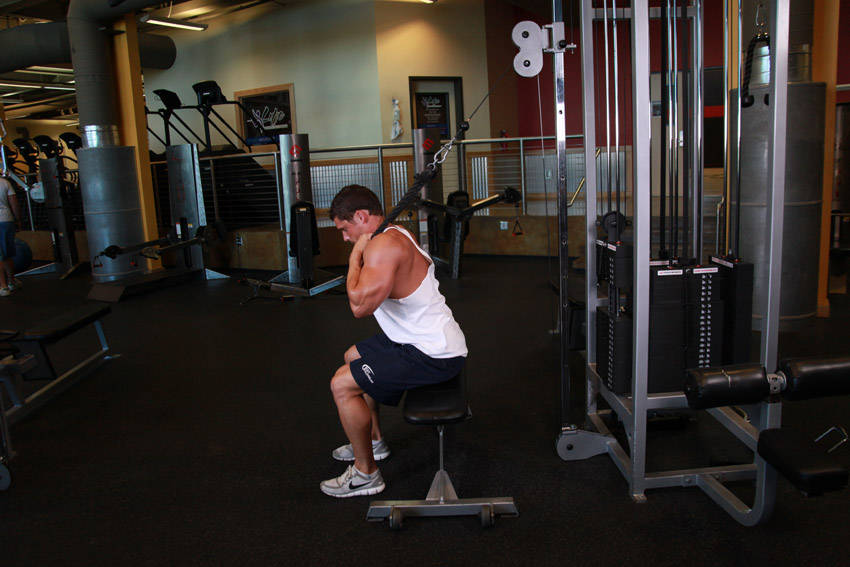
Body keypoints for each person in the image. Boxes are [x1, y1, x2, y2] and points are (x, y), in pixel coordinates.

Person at [321, 184, 467, 498]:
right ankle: (373, 441)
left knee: (341, 385)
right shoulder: (395, 232)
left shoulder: (382, 246)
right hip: (412, 338)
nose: (345, 238)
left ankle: (365, 473)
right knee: (352, 356)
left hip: (433, 352)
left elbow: (359, 307)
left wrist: (354, 257)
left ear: (360, 216)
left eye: (345, 229)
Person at [0, 173, 21, 297]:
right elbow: (14, 203)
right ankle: (11, 282)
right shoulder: (5, 183)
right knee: (7, 254)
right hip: (7, 220)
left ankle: (3, 286)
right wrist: (18, 219)